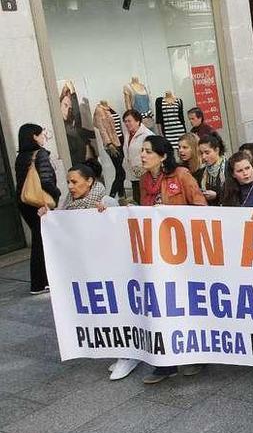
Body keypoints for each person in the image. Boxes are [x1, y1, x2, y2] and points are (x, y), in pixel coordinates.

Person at [37, 161, 134, 379]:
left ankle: (127, 354)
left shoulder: (105, 200)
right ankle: (122, 352)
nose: (70, 186)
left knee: (117, 309)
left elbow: (122, 230)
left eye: (74, 182)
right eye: (68, 182)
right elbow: (63, 229)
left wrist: (108, 212)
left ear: (89, 182)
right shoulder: (68, 204)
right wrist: (48, 216)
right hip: (87, 268)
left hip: (110, 267)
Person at [135, 135, 206, 384]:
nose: (143, 155)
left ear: (163, 156)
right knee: (162, 304)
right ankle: (166, 364)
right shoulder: (144, 180)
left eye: (148, 151)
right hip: (156, 253)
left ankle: (196, 354)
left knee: (187, 302)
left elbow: (200, 206)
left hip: (183, 252)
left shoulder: (181, 175)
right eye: (142, 151)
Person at [15, 123, 61, 295]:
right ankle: (41, 282)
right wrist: (56, 193)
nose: (43, 137)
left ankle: (40, 281)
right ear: (34, 136)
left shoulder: (20, 157)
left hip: (25, 202)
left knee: (38, 240)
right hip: (39, 203)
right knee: (42, 242)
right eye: (41, 134)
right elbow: (46, 180)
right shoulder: (40, 154)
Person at [121, 109, 154, 204]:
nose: (127, 124)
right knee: (136, 197)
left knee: (144, 197)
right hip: (133, 173)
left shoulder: (147, 135)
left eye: (129, 121)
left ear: (137, 121)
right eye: (125, 121)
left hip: (145, 173)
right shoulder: (128, 134)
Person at [196, 134, 227, 206]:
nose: (203, 157)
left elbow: (235, 192)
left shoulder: (229, 168)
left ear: (217, 150)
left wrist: (217, 195)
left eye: (207, 153)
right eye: (201, 153)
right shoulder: (201, 172)